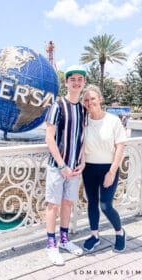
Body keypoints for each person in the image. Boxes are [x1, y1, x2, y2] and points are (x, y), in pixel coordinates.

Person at [45, 65, 87, 265]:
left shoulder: (83, 109)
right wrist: (62, 166)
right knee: (53, 204)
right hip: (57, 166)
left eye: (80, 79)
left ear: (83, 83)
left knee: (68, 203)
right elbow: (50, 138)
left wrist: (83, 161)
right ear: (66, 82)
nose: (76, 82)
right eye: (73, 79)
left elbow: (82, 138)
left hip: (75, 167)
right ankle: (51, 244)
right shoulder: (57, 105)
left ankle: (64, 240)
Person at [82, 85, 127, 253]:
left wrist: (112, 171)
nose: (89, 102)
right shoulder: (83, 121)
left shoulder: (113, 120)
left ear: (100, 99)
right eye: (86, 100)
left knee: (106, 205)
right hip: (88, 169)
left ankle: (120, 232)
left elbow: (120, 147)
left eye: (92, 98)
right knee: (92, 202)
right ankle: (94, 236)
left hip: (109, 168)